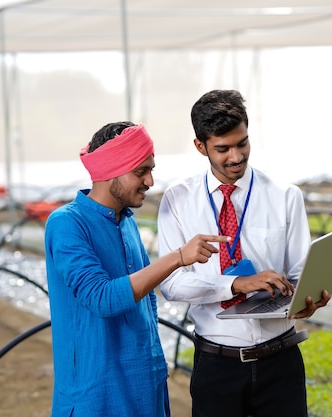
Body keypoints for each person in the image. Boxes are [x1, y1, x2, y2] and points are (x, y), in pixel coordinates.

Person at [157, 89, 331, 417]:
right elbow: (172, 284)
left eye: (242, 143)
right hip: (216, 365)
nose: (236, 156)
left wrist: (309, 298)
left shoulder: (284, 195)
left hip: (280, 362)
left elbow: (299, 272)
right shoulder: (177, 201)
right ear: (200, 146)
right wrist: (236, 285)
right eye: (223, 149)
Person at [44, 121, 230, 417]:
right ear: (110, 171)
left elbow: (148, 301)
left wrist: (155, 363)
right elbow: (101, 298)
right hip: (96, 396)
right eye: (141, 171)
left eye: (151, 169)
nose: (150, 181)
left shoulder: (127, 221)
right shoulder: (67, 223)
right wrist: (177, 257)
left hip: (146, 386)